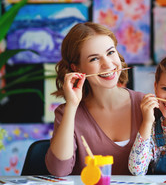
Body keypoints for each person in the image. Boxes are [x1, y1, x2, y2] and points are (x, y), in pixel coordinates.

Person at [45, 22, 144, 176]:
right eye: (94, 59)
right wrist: (72, 105)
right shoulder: (67, 112)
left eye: (110, 52)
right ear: (76, 69)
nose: (107, 64)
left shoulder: (146, 105)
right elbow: (59, 170)